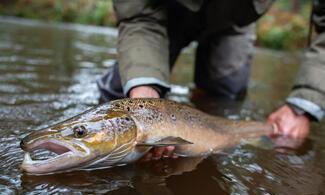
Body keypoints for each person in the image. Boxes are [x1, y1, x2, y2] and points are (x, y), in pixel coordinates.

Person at [97, 0, 325, 159]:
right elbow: (139, 16)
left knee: (226, 95)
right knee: (120, 92)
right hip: (162, 12)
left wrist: (303, 105)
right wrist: (143, 87)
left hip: (234, 20)